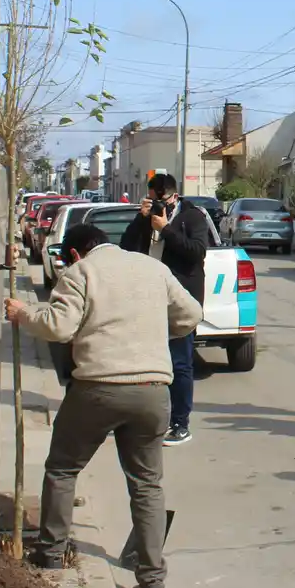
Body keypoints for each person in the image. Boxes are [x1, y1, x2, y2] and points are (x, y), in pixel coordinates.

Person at [6, 224, 203, 588]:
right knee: (147, 484)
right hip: (152, 391)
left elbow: (59, 326)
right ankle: (152, 580)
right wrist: (158, 334)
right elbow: (190, 314)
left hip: (98, 389)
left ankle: (50, 555)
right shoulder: (152, 268)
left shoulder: (80, 273)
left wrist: (23, 314)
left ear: (76, 253)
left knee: (63, 468)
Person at [119, 173, 209, 446]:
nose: (160, 207)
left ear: (174, 196)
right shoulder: (146, 220)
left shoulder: (192, 217)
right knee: (147, 363)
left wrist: (167, 228)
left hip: (180, 301)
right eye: (153, 201)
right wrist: (141, 218)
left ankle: (180, 423)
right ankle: (149, 419)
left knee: (180, 363)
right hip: (147, 299)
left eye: (164, 201)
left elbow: (197, 252)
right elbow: (127, 248)